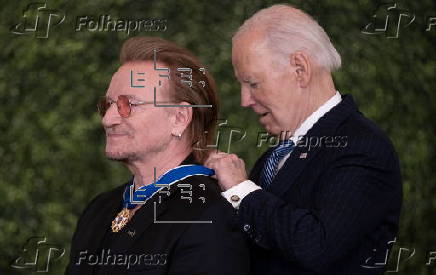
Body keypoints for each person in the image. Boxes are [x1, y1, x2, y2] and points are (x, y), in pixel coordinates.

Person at [206, 4, 402, 275]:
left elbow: (315, 246)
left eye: (252, 83)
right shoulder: (274, 158)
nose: (244, 100)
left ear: (300, 69)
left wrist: (241, 190)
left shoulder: (362, 147)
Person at [66, 36, 250, 275]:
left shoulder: (211, 214)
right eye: (107, 105)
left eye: (128, 105)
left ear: (179, 118)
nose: (107, 119)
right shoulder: (100, 208)